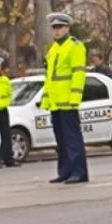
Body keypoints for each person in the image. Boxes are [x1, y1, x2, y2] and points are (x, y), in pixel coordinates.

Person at [40, 12, 89, 184]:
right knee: (60, 140)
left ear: (67, 28)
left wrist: (75, 98)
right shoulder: (53, 49)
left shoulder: (75, 46)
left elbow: (78, 74)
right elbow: (49, 78)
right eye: (54, 28)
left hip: (68, 102)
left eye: (59, 27)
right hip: (55, 103)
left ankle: (79, 172)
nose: (56, 31)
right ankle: (65, 171)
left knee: (72, 139)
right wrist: (46, 100)